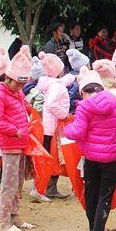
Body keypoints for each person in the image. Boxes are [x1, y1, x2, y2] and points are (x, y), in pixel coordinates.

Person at [65, 67, 116, 231]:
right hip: (111, 157)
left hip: (91, 157)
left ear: (83, 91)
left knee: (91, 192)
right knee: (105, 194)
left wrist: (67, 128)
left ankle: (95, 228)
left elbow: (77, 132)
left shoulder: (84, 107)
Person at [0, 46, 37, 231]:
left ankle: (14, 216)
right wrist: (14, 131)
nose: (19, 87)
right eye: (17, 83)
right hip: (10, 143)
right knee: (9, 184)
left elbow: (23, 107)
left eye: (22, 84)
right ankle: (3, 221)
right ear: (8, 78)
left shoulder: (17, 92)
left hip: (20, 142)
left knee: (17, 183)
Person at [33, 51, 72, 201]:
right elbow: (51, 104)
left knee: (49, 158)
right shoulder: (56, 86)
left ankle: (47, 187)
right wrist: (64, 115)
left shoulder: (50, 84)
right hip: (53, 127)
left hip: (48, 126)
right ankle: (42, 188)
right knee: (51, 159)